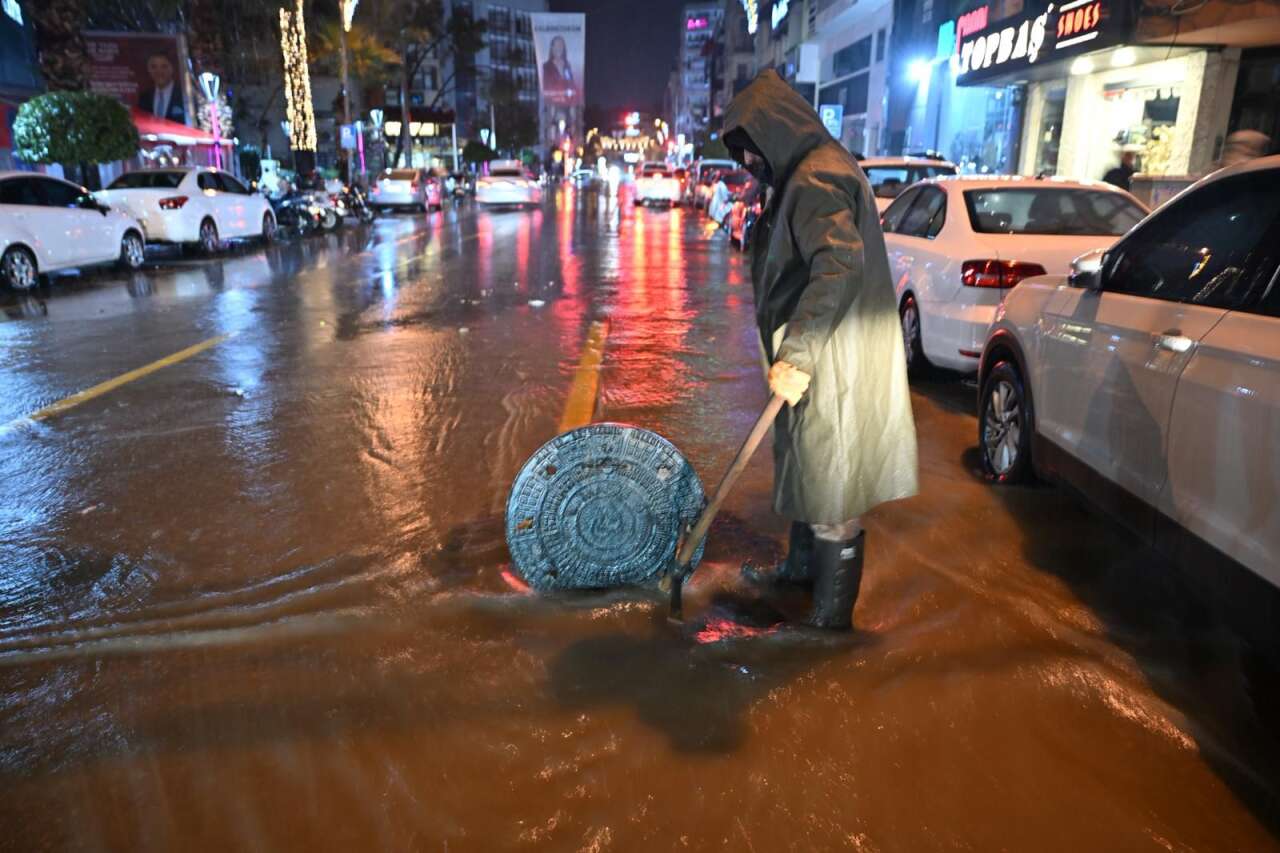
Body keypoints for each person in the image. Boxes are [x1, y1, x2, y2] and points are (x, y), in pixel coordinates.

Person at [722, 70, 918, 629]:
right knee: (811, 466)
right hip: (819, 354)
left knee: (832, 485)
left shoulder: (814, 178)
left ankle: (830, 626)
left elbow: (839, 263)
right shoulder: (810, 170)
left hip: (832, 358)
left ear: (773, 134)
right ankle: (801, 573)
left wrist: (798, 354)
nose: (748, 166)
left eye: (751, 153)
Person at [137, 51, 186, 124]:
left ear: (172, 68)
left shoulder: (184, 95)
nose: (159, 71)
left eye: (164, 66)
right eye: (154, 67)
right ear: (149, 70)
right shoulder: (144, 97)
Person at [541, 36, 577, 106]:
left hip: (567, 104)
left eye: (561, 45)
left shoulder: (567, 65)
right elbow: (546, 87)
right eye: (557, 45)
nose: (559, 48)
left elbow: (571, 84)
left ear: (564, 48)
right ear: (552, 48)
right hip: (551, 105)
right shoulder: (546, 66)